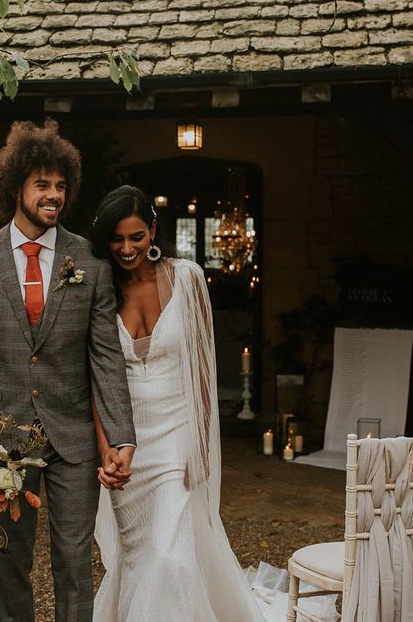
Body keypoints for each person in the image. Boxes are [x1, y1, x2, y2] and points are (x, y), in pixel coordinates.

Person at [0, 119, 136, 622]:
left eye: (61, 186)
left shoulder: (89, 261)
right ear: (15, 187)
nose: (53, 195)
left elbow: (105, 356)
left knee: (74, 560)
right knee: (10, 560)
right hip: (2, 439)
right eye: (42, 185)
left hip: (72, 436)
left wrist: (120, 435)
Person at [90, 185, 265, 622]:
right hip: (125, 443)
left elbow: (204, 374)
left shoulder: (186, 278)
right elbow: (92, 378)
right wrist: (105, 449)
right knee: (138, 557)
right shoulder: (96, 287)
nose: (127, 249)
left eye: (136, 237)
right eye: (117, 239)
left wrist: (200, 447)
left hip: (177, 435)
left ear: (153, 230)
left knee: (171, 557)